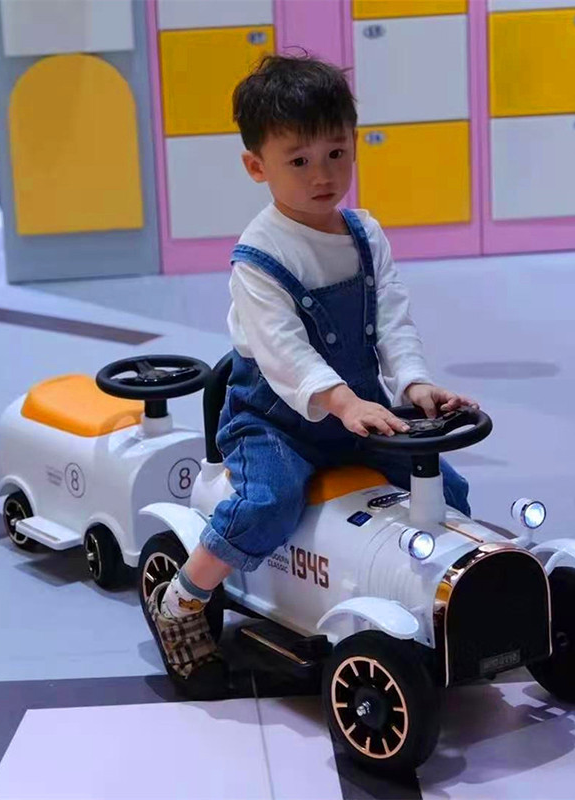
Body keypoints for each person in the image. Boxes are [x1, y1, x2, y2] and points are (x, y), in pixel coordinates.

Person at [143, 54, 477, 699]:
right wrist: (342, 402)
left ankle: (431, 602)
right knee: (268, 501)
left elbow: (393, 320)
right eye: (298, 160)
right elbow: (284, 354)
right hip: (274, 422)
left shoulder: (364, 233)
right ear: (256, 166)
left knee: (448, 488)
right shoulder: (259, 257)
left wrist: (414, 385)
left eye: (336, 153)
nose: (322, 175)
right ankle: (182, 600)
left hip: (360, 413)